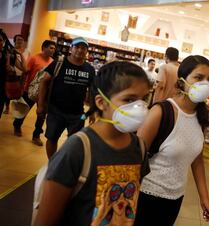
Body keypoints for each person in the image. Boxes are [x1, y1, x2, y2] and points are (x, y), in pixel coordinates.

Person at [34, 61, 151, 226]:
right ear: (101, 102)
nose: (140, 108)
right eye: (129, 99)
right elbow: (46, 219)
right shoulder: (78, 148)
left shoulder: (139, 147)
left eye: (144, 99)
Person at [135, 55, 209, 226]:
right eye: (198, 78)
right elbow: (135, 156)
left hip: (175, 198)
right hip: (146, 195)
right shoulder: (161, 112)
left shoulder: (201, 117)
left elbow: (197, 160)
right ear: (182, 81)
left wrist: (205, 198)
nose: (205, 84)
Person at [37, 37, 96, 159]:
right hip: (55, 110)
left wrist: (92, 111)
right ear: (71, 49)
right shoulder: (59, 63)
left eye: (83, 48)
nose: (80, 50)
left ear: (86, 51)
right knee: (52, 138)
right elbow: (44, 82)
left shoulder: (89, 69)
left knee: (75, 142)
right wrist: (41, 104)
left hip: (78, 114)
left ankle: (65, 162)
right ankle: (52, 162)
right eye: (77, 47)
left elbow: (92, 90)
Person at [12, 40, 56, 145]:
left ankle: (36, 135)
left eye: (54, 48)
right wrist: (22, 87)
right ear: (43, 48)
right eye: (51, 48)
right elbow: (25, 72)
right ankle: (17, 125)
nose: (53, 50)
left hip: (43, 93)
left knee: (41, 115)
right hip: (30, 90)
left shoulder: (52, 62)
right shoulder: (34, 58)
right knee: (23, 109)